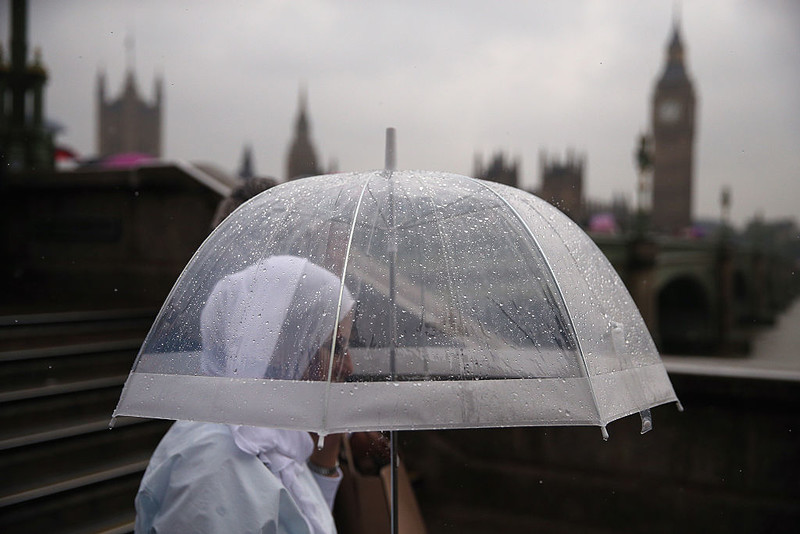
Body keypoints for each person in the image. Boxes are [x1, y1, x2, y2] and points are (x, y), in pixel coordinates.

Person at [134, 255, 363, 534]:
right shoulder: (217, 462)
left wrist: (325, 459)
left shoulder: (271, 435)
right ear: (279, 348)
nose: (348, 366)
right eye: (336, 347)